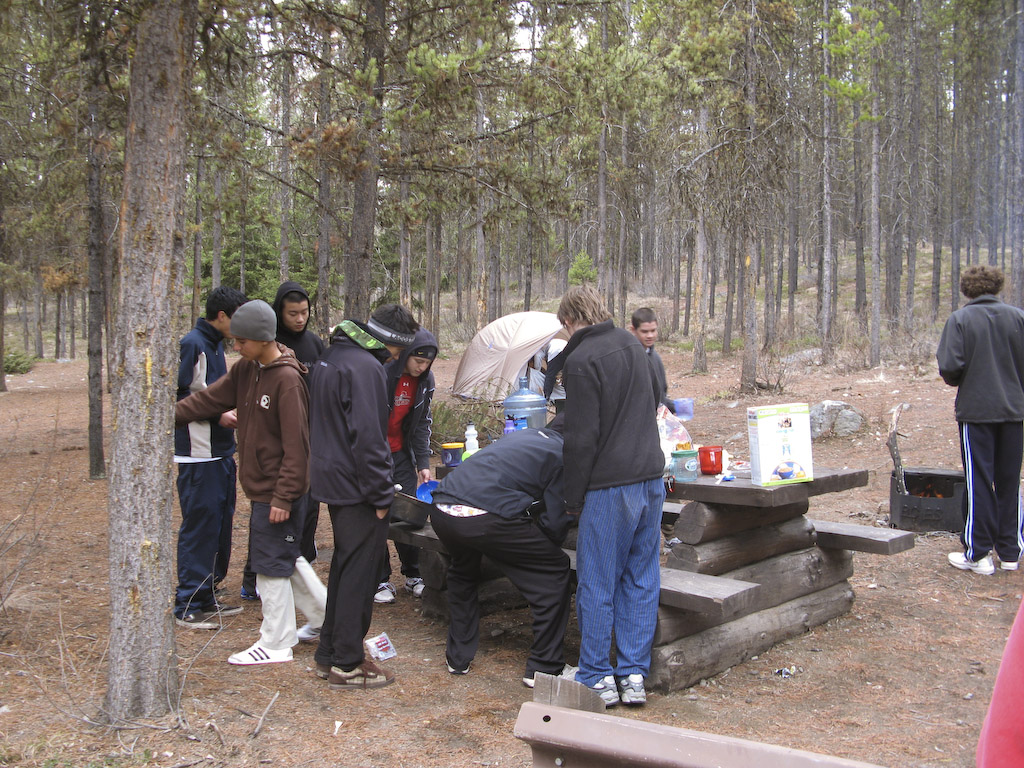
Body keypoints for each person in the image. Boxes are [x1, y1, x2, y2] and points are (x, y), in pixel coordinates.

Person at [175, 300, 326, 665]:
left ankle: (275, 643)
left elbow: (298, 447)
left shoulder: (287, 380)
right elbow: (209, 399)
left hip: (280, 491)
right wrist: (165, 415)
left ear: (262, 339)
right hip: (262, 488)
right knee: (284, 557)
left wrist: (283, 497)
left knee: (269, 566)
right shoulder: (248, 369)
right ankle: (327, 619)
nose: (236, 346)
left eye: (242, 341)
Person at [557, 285, 666, 707]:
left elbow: (580, 438)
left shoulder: (581, 360)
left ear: (569, 321)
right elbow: (655, 399)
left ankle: (597, 674)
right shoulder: (632, 343)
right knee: (641, 575)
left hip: (609, 484)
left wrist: (572, 499)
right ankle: (633, 674)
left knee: (598, 580)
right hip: (650, 476)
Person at [308, 303, 419, 690]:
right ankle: (348, 663)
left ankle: (328, 653)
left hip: (332, 478)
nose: (395, 359)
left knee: (345, 565)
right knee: (361, 572)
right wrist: (382, 494)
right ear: (390, 342)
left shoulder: (332, 355)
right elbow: (370, 439)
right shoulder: (365, 368)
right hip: (357, 486)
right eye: (397, 351)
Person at [430, 418, 574, 688]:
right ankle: (545, 667)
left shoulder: (524, 436)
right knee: (553, 570)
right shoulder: (564, 455)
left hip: (443, 507)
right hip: (486, 517)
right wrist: (538, 547)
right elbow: (555, 523)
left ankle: (457, 658)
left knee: (463, 571)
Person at [239, 281, 326, 600]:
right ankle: (253, 579)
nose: (300, 319)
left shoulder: (315, 344)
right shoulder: (267, 347)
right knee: (268, 519)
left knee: (307, 510)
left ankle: (300, 568)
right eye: (292, 313)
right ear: (279, 313)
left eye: (304, 312)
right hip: (275, 445)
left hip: (311, 438)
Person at [937, 265, 1024, 576]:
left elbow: (950, 368)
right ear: (997, 287)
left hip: (976, 414)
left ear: (967, 290)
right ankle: (1011, 552)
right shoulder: (1018, 317)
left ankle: (979, 554)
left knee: (979, 482)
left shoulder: (960, 320)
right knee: (1010, 481)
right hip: (1014, 413)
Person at [173, 285, 248, 628]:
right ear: (221, 316)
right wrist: (218, 416)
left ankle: (206, 593)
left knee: (219, 525)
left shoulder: (216, 345)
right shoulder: (192, 344)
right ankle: (188, 603)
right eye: (237, 319)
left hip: (220, 452)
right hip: (197, 454)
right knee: (200, 526)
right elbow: (178, 398)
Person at [375, 329, 438, 604]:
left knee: (410, 513)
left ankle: (414, 574)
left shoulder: (425, 381)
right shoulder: (383, 374)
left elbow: (422, 422)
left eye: (427, 363)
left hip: (401, 453)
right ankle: (380, 578)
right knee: (377, 515)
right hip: (375, 455)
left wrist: (422, 462)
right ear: (406, 355)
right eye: (418, 361)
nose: (422, 367)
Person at [629, 307, 677, 413]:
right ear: (633, 330)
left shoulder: (655, 357)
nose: (650, 336)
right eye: (644, 331)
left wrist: (676, 406)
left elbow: (659, 397)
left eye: (653, 330)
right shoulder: (628, 359)